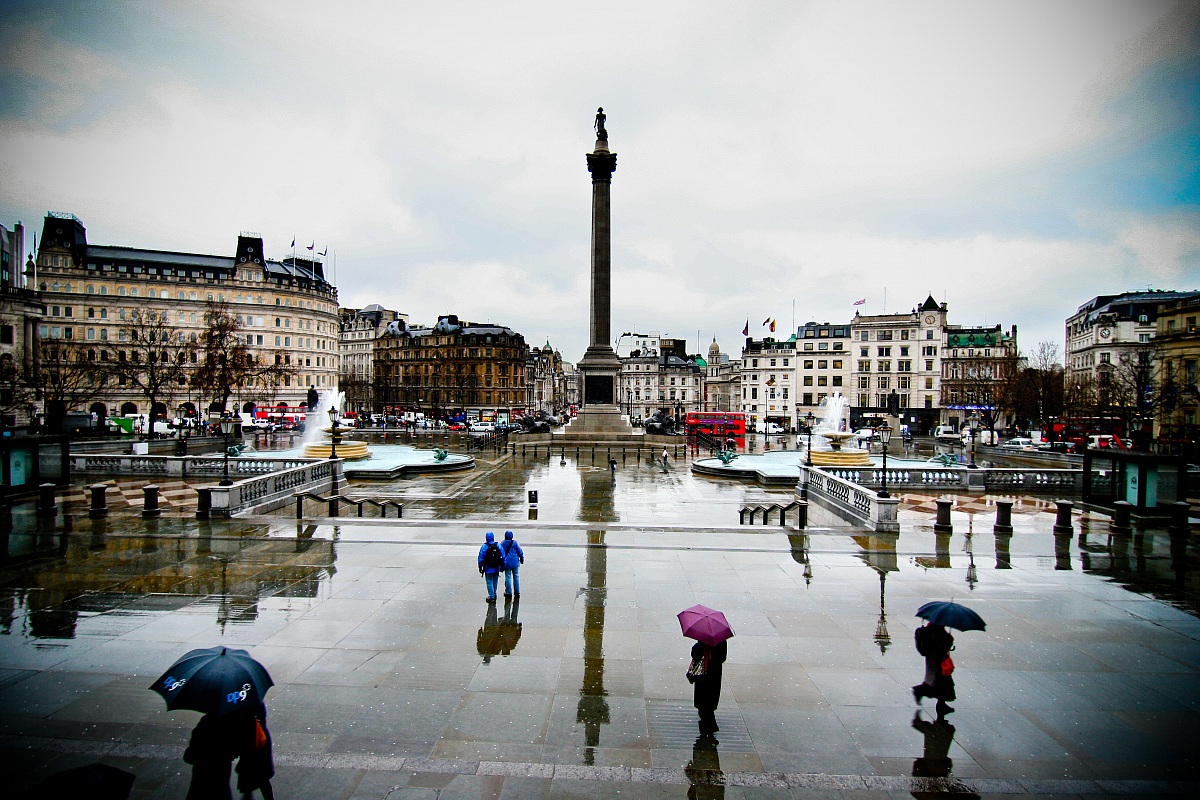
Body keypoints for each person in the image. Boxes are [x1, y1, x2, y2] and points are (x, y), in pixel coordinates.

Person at [913, 622, 956, 717]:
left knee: (941, 682)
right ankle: (920, 691)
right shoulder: (937, 631)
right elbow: (939, 644)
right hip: (937, 660)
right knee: (939, 682)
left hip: (935, 659)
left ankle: (941, 704)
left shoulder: (933, 629)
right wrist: (949, 639)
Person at [235, 702, 275, 800]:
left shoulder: (240, 706)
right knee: (261, 778)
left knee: (253, 776)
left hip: (253, 743)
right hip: (260, 741)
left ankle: (248, 795)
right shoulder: (256, 701)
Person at [689, 639, 727, 734]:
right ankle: (708, 725)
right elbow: (722, 658)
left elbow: (695, 654)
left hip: (703, 675)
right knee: (710, 703)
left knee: (703, 704)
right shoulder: (721, 641)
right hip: (714, 675)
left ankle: (709, 727)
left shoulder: (702, 640)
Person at [478, 531, 504, 602]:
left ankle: (491, 596)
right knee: (495, 580)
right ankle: (494, 593)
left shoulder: (484, 546)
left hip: (488, 567)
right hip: (496, 567)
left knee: (489, 581)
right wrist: (503, 565)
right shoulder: (498, 545)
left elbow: (481, 557)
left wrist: (480, 566)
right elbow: (503, 555)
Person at [501, 529, 524, 598]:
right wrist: (522, 558)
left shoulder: (503, 543)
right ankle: (517, 591)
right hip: (515, 562)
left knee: (508, 576)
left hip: (507, 563)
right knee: (516, 576)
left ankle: (508, 592)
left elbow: (500, 552)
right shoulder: (515, 543)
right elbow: (520, 551)